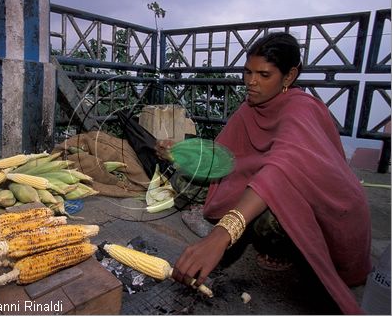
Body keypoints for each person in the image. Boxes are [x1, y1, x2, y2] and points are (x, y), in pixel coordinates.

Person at [155, 32, 371, 314]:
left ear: (289, 76)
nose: (251, 82)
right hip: (263, 180)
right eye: (247, 72)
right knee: (182, 178)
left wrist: (221, 235)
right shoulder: (250, 107)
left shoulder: (300, 109)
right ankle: (243, 224)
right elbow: (223, 156)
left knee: (269, 219)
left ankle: (283, 252)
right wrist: (180, 150)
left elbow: (281, 168)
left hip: (326, 208)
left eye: (263, 74)